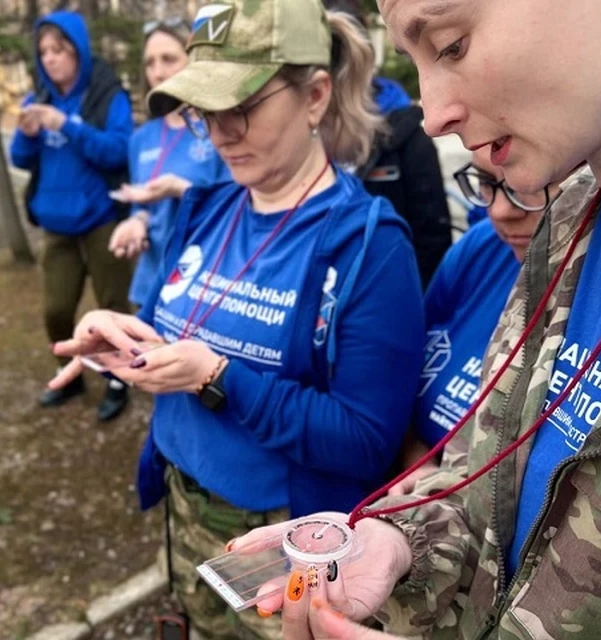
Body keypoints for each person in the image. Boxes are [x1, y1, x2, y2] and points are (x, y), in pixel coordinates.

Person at [232, 0, 601, 637]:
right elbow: (493, 493)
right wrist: (405, 545)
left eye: (450, 44)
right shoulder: (568, 224)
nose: (433, 114)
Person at [48, 0, 426, 637]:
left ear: (314, 96)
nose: (220, 132)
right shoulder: (207, 207)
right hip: (183, 500)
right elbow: (179, 322)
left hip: (277, 540)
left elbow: (365, 438)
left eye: (242, 107)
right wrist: (125, 337)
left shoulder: (368, 246)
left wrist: (217, 376)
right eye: (204, 111)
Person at [389, 148, 557, 494]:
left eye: (527, 186)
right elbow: (402, 376)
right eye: (486, 182)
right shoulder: (482, 247)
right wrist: (416, 463)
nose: (500, 211)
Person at [9, 11, 134, 422]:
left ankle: (119, 380)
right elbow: (19, 158)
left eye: (58, 50)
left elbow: (118, 151)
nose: (50, 59)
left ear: (77, 51)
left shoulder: (106, 95)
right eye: (43, 51)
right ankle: (70, 374)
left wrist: (69, 125)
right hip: (57, 224)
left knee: (113, 305)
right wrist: (28, 135)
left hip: (101, 219)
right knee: (56, 310)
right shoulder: (38, 98)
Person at [321, 0, 453, 287]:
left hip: (389, 295)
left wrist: (413, 308)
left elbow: (433, 238)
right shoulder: (299, 128)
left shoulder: (405, 132)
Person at [108, 19, 230, 310]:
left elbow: (236, 208)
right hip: (150, 283)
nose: (158, 72)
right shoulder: (141, 138)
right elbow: (144, 208)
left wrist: (180, 189)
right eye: (150, 63)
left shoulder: (222, 129)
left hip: (205, 286)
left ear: (195, 61)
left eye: (169, 59)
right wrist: (136, 223)